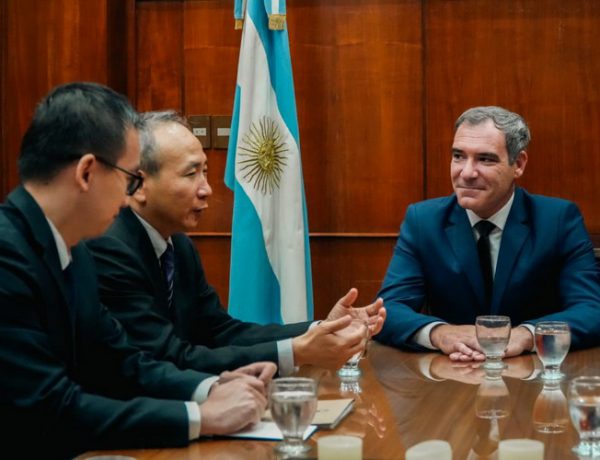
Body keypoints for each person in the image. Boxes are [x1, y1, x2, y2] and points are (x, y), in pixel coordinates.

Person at [0, 82, 276, 459]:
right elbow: (49, 406)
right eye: (130, 178)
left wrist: (211, 388)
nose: (130, 195)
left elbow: (123, 360)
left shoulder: (74, 250)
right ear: (86, 173)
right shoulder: (8, 256)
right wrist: (200, 417)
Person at [86, 110, 386, 376]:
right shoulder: (110, 249)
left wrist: (320, 329)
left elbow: (219, 331)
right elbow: (165, 357)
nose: (206, 189)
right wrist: (296, 352)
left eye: (205, 172)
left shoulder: (179, 246)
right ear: (139, 184)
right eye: (191, 174)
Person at [375, 106, 600, 360]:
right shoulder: (423, 221)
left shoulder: (558, 220)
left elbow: (592, 310)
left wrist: (526, 335)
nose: (467, 173)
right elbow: (388, 310)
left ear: (518, 164)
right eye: (458, 156)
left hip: (532, 372)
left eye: (485, 159)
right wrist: (440, 333)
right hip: (452, 372)